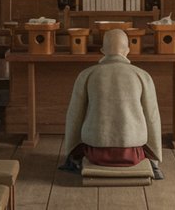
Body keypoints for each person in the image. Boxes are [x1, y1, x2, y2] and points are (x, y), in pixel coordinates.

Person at [60, 29, 163, 179]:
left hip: (95, 152)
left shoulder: (87, 74)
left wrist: (71, 154)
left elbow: (74, 116)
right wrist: (155, 158)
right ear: (128, 50)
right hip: (132, 153)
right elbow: (152, 117)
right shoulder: (142, 75)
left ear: (102, 50)